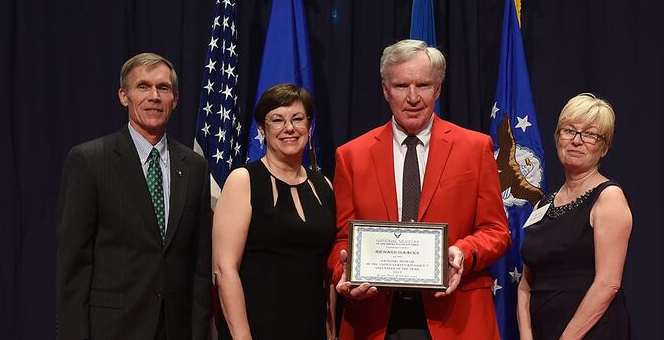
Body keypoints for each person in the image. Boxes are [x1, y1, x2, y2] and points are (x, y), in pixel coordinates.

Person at [328, 39, 511, 339]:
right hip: (375, 319)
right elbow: (340, 241)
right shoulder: (351, 155)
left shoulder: (475, 148)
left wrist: (462, 252)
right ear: (386, 90)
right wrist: (343, 273)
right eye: (401, 86)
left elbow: (496, 230)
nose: (413, 97)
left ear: (438, 89)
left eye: (423, 85)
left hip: (456, 316)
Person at [56, 53, 211, 339]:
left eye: (163, 88)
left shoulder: (195, 167)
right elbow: (74, 266)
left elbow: (199, 266)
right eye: (143, 86)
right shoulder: (90, 161)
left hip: (176, 329)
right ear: (123, 96)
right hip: (112, 329)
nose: (154, 96)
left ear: (174, 100)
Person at [212, 83, 336, 340]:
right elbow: (224, 269)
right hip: (256, 328)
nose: (289, 128)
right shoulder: (243, 180)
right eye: (277, 120)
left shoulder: (324, 186)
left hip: (311, 328)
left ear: (309, 127)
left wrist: (331, 331)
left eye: (298, 119)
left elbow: (328, 271)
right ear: (262, 129)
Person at [518, 93, 632, 340]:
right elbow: (526, 284)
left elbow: (608, 283)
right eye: (569, 130)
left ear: (604, 148)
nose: (577, 141)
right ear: (558, 137)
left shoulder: (609, 198)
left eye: (590, 134)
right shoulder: (543, 203)